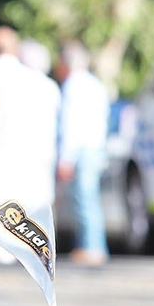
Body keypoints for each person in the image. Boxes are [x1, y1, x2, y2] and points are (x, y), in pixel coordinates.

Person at [0, 27, 61, 264]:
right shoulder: (45, 84)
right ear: (16, 49)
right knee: (36, 213)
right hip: (36, 158)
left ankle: (2, 256)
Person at [55, 40, 110, 265]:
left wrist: (66, 158)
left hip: (81, 149)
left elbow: (71, 124)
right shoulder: (96, 84)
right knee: (90, 199)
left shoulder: (73, 86)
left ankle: (92, 247)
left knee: (84, 199)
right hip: (96, 146)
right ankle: (93, 245)